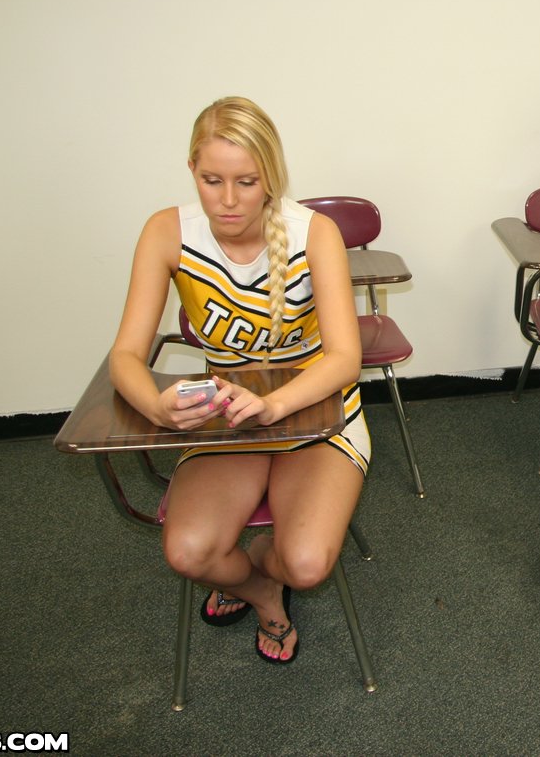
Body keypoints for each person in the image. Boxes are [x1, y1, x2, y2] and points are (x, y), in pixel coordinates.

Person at [108, 96, 368, 665]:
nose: (227, 200)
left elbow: (345, 359)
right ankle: (263, 592)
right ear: (192, 171)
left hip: (316, 405)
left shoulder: (314, 233)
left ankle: (269, 564)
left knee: (306, 563)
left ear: (270, 177)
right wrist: (156, 407)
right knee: (189, 553)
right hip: (227, 414)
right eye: (212, 180)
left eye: (246, 182)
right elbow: (125, 356)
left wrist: (274, 406)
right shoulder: (166, 232)